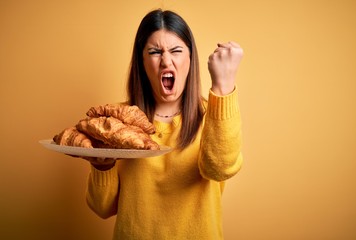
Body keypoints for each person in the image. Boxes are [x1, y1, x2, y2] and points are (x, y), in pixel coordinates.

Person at [85, 9, 244, 240]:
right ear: (142, 62)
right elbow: (102, 208)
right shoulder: (116, 124)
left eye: (176, 51)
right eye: (155, 52)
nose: (166, 61)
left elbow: (220, 168)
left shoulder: (215, 113)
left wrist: (224, 86)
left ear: (190, 59)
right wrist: (102, 166)